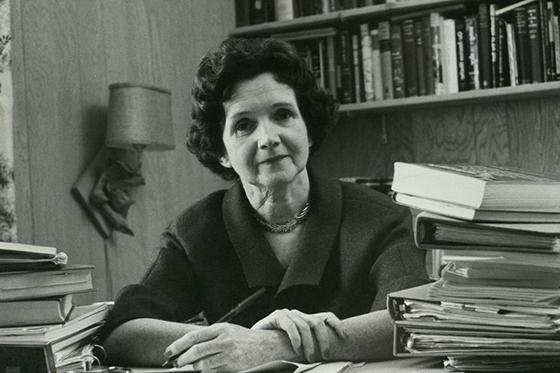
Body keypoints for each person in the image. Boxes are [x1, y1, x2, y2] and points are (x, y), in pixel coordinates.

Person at [101, 38, 428, 371]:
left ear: (309, 130)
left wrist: (280, 345)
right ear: (221, 152)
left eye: (283, 115)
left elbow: (415, 317)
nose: (268, 138)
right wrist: (229, 344)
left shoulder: (381, 218)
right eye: (244, 125)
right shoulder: (195, 230)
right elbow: (124, 332)